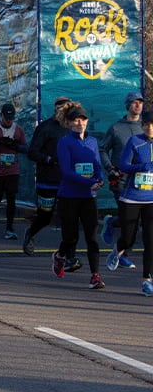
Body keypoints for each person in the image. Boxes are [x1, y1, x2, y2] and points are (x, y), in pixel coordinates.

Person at [51, 104, 105, 289]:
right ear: (68, 123)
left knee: (92, 237)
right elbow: (66, 172)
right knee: (71, 237)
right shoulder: (64, 142)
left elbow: (97, 165)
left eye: (83, 119)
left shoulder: (92, 142)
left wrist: (100, 179)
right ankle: (60, 256)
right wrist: (90, 182)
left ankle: (95, 275)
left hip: (88, 197)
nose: (80, 123)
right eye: (76, 120)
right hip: (69, 196)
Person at [106, 110, 153, 296]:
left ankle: (147, 280)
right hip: (132, 197)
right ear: (142, 126)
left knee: (150, 240)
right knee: (129, 238)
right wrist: (141, 167)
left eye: (152, 124)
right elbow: (123, 166)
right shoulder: (135, 141)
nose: (149, 128)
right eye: (146, 124)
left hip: (151, 199)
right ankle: (118, 249)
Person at [98, 91, 143, 269]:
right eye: (134, 102)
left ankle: (111, 221)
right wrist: (110, 168)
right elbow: (102, 149)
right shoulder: (116, 128)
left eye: (140, 102)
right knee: (129, 219)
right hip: (121, 180)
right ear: (127, 105)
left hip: (142, 182)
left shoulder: (147, 128)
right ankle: (123, 254)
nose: (138, 105)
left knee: (133, 219)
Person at [23, 97, 72, 257]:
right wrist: (48, 159)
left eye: (66, 109)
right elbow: (32, 152)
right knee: (45, 215)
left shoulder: (73, 128)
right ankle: (30, 233)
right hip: (47, 180)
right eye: (60, 110)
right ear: (56, 110)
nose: (63, 113)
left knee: (68, 216)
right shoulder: (45, 128)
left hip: (68, 180)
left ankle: (68, 252)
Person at [0, 103, 28, 240]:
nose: (9, 121)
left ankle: (10, 228)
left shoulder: (18, 130)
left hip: (12, 170)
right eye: (6, 118)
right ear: (1, 116)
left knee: (11, 199)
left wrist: (15, 146)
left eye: (11, 118)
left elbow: (26, 148)